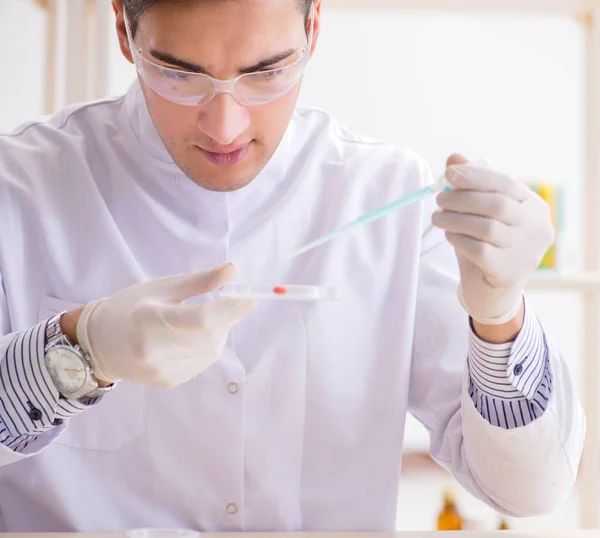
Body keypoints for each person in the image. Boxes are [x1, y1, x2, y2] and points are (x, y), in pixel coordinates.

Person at [0, 0, 585, 532]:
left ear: (312, 29)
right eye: (179, 74)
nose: (225, 126)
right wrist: (73, 354)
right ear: (125, 32)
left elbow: (530, 489)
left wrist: (500, 318)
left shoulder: (386, 197)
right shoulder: (19, 188)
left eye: (266, 72)